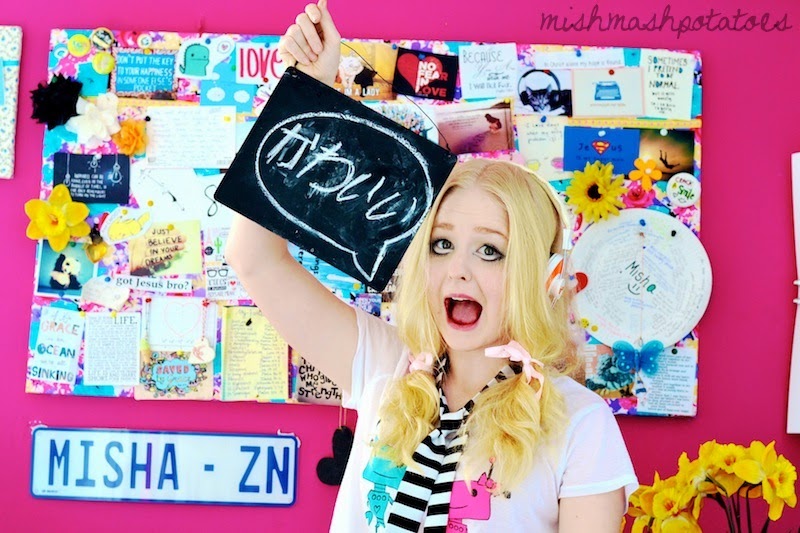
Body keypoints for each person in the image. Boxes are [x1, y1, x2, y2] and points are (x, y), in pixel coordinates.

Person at [226, 2, 638, 531]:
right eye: (442, 244)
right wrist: (308, 89)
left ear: (546, 277)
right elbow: (253, 258)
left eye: (490, 251)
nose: (457, 270)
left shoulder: (580, 424)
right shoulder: (383, 366)